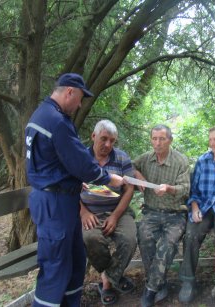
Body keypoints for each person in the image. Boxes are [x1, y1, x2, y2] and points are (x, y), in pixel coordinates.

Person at [25, 73, 124, 307]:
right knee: (55, 269)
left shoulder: (43, 115)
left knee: (75, 262)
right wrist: (109, 178)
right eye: (79, 98)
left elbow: (58, 161)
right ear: (69, 91)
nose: (80, 105)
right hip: (54, 205)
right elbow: (82, 164)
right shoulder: (56, 121)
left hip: (62, 202)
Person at [80, 119, 137, 305]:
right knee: (90, 239)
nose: (108, 145)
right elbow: (69, 188)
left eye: (112, 141)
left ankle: (107, 281)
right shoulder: (79, 157)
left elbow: (129, 189)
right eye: (104, 139)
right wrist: (83, 212)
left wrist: (115, 216)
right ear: (93, 136)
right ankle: (112, 276)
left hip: (118, 210)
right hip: (90, 212)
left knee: (129, 240)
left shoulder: (121, 158)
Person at [133, 124, 190, 307]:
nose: (157, 143)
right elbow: (128, 166)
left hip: (175, 214)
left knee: (168, 245)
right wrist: (138, 175)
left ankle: (150, 291)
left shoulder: (180, 161)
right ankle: (159, 283)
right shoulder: (145, 159)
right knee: (144, 237)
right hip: (151, 212)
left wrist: (169, 188)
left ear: (170, 140)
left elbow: (185, 189)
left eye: (162, 139)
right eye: (154, 138)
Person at [178, 124, 215, 303]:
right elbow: (193, 190)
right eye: (210, 139)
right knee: (191, 234)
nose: (212, 143)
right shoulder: (203, 160)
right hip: (203, 207)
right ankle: (188, 281)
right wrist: (194, 208)